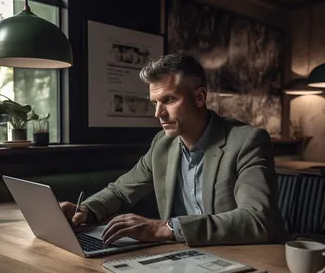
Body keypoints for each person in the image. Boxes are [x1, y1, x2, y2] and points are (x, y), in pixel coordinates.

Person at [60, 53, 288, 247]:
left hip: (252, 257)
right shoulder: (162, 145)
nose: (158, 113)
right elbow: (121, 191)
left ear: (199, 97)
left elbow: (257, 219)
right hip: (185, 257)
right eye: (154, 103)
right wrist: (86, 210)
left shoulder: (247, 141)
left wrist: (167, 228)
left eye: (168, 99)